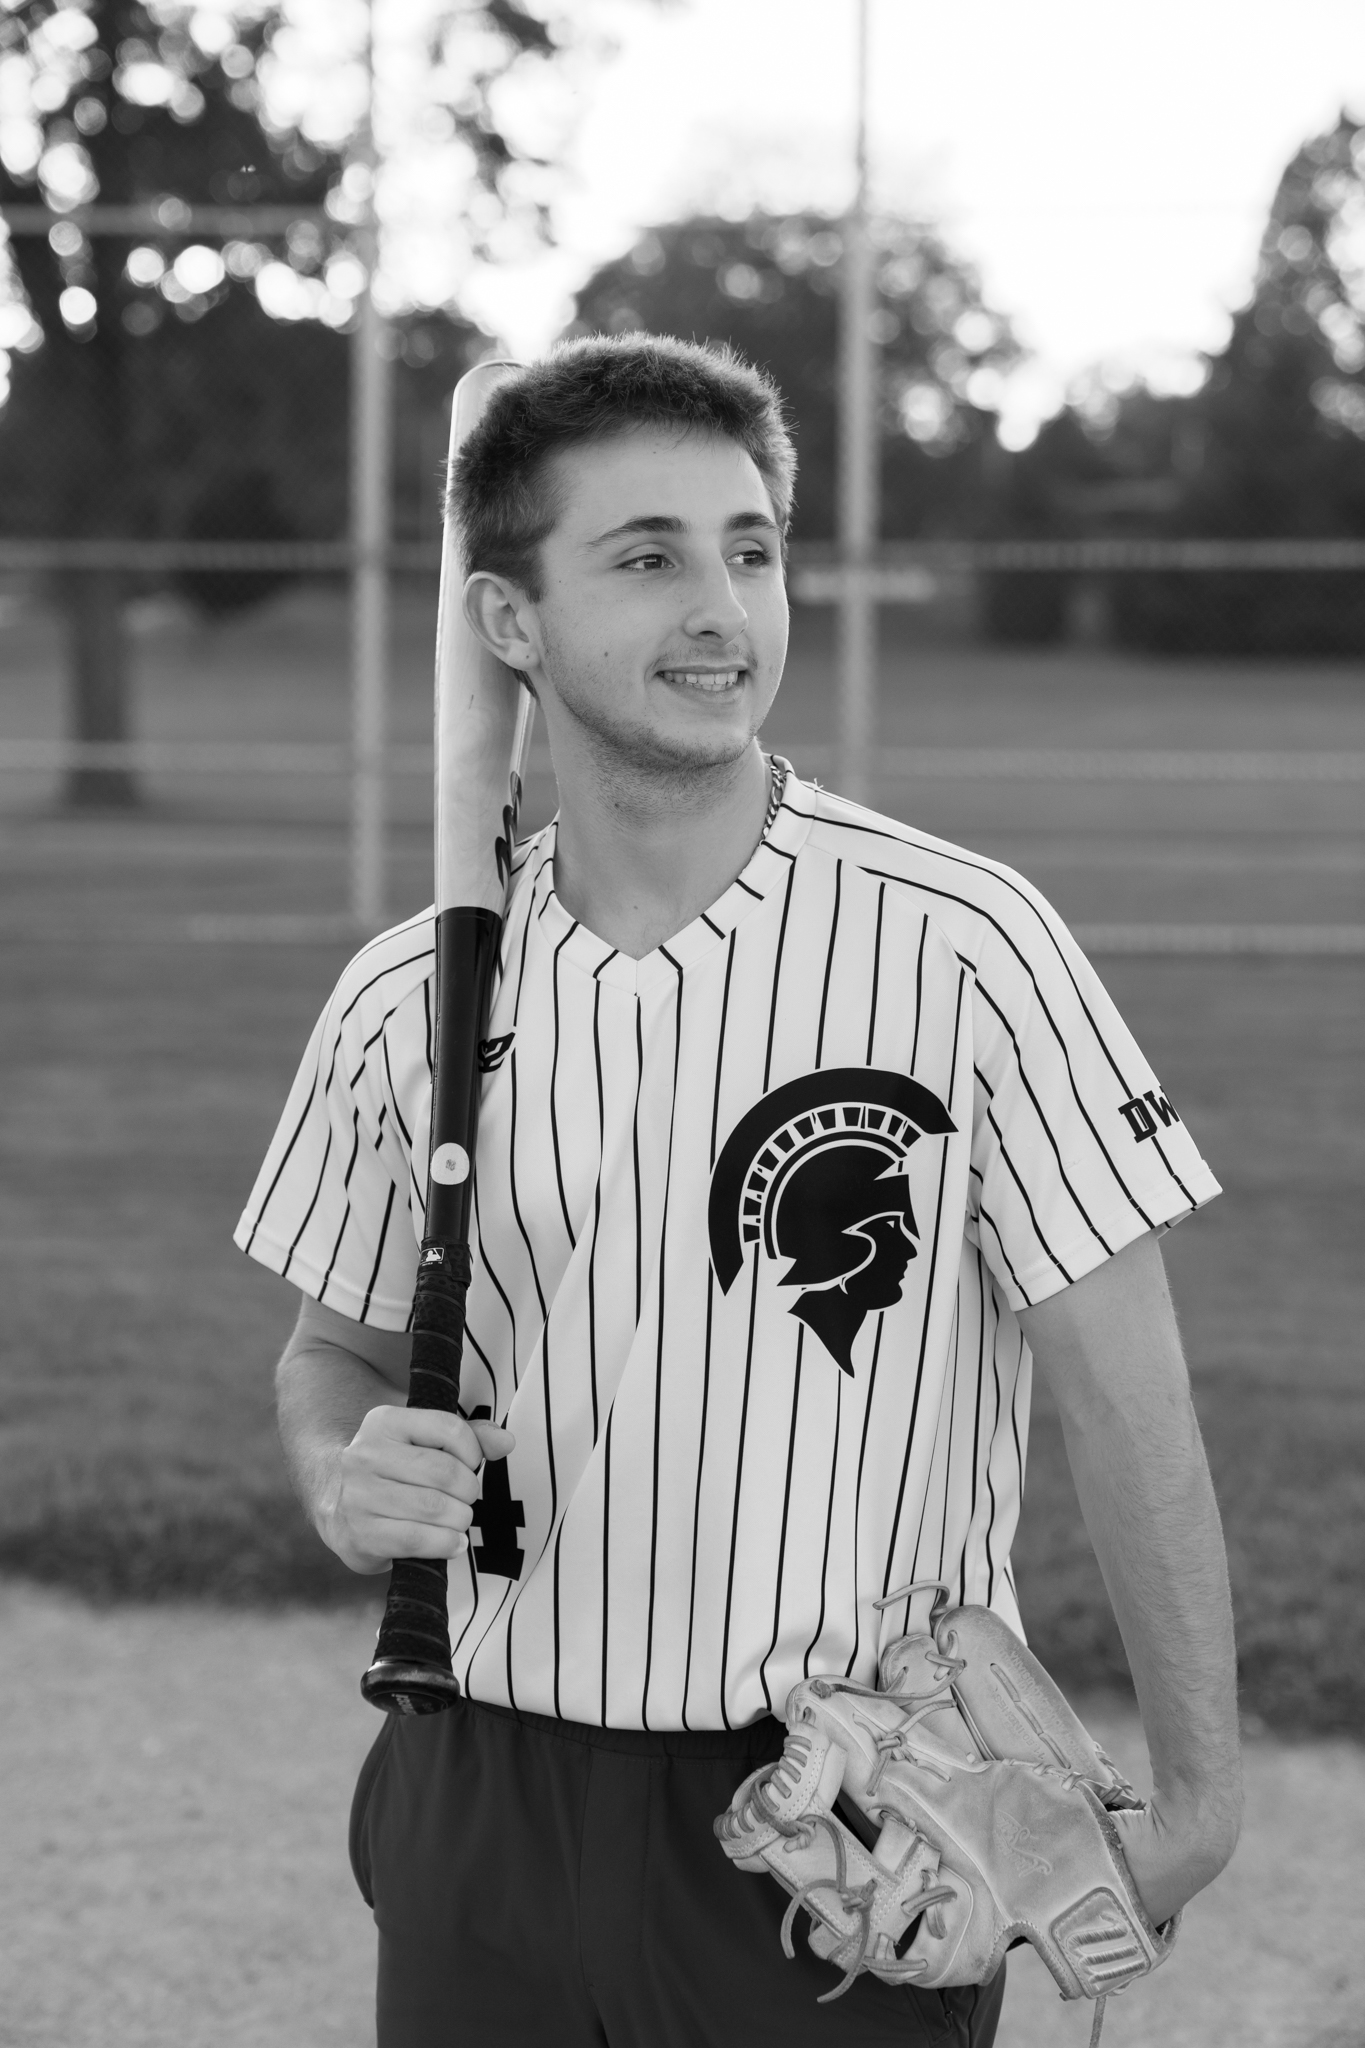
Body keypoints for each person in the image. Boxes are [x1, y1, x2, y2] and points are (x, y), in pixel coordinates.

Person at [236, 334, 1242, 2048]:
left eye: (750, 548)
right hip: (480, 1782)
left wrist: (1200, 1795)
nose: (722, 608)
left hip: (839, 1815)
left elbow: (1120, 1388)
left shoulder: (964, 947)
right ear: (507, 624)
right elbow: (328, 1351)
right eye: (646, 558)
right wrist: (343, 1479)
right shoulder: (406, 997)